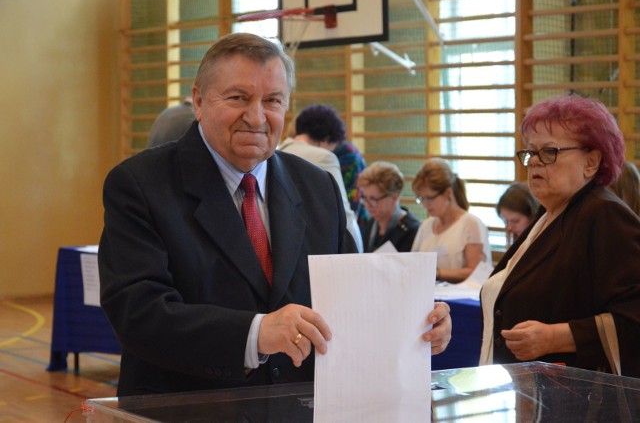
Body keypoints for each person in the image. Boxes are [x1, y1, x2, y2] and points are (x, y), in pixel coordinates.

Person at [98, 32, 452, 396]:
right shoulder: (140, 184)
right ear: (199, 100)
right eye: (238, 98)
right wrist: (255, 333)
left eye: (272, 100)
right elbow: (139, 313)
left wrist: (414, 322)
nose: (256, 117)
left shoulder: (319, 188)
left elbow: (351, 301)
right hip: (186, 411)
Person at [479, 94, 640, 378]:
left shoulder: (605, 214)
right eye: (530, 152)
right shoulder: (547, 217)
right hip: (534, 394)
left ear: (591, 162)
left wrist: (557, 337)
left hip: (580, 401)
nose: (534, 163)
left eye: (550, 152)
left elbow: (634, 315)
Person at [278, 105, 364, 252]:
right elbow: (344, 216)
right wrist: (358, 254)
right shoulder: (324, 157)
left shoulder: (277, 152)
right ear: (325, 140)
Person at [411, 158, 492, 283]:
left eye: (430, 198)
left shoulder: (471, 224)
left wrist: (438, 273)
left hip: (461, 299)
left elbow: (476, 271)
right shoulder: (426, 226)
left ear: (448, 192)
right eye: (421, 199)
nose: (425, 204)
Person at [297, 104, 369, 232]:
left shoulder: (348, 156)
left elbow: (350, 204)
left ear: (325, 140)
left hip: (353, 222)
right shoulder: (317, 153)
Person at [356, 161, 420, 252]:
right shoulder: (371, 224)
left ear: (394, 197)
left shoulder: (411, 230)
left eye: (374, 199)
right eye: (365, 198)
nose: (368, 205)